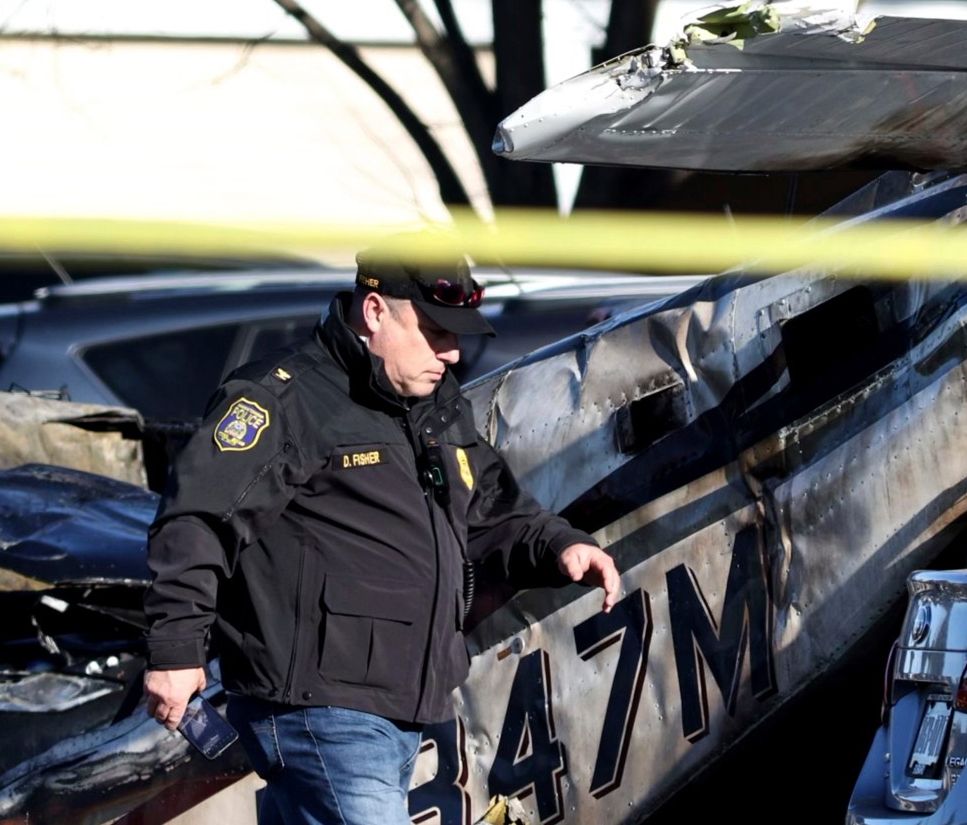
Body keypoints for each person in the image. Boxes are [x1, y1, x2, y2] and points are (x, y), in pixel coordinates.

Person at [142, 246, 622, 825]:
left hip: (399, 705)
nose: (451, 352)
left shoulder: (431, 403)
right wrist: (176, 648)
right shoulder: (283, 399)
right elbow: (198, 519)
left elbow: (491, 505)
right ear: (374, 311)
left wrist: (561, 544)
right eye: (436, 332)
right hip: (319, 709)